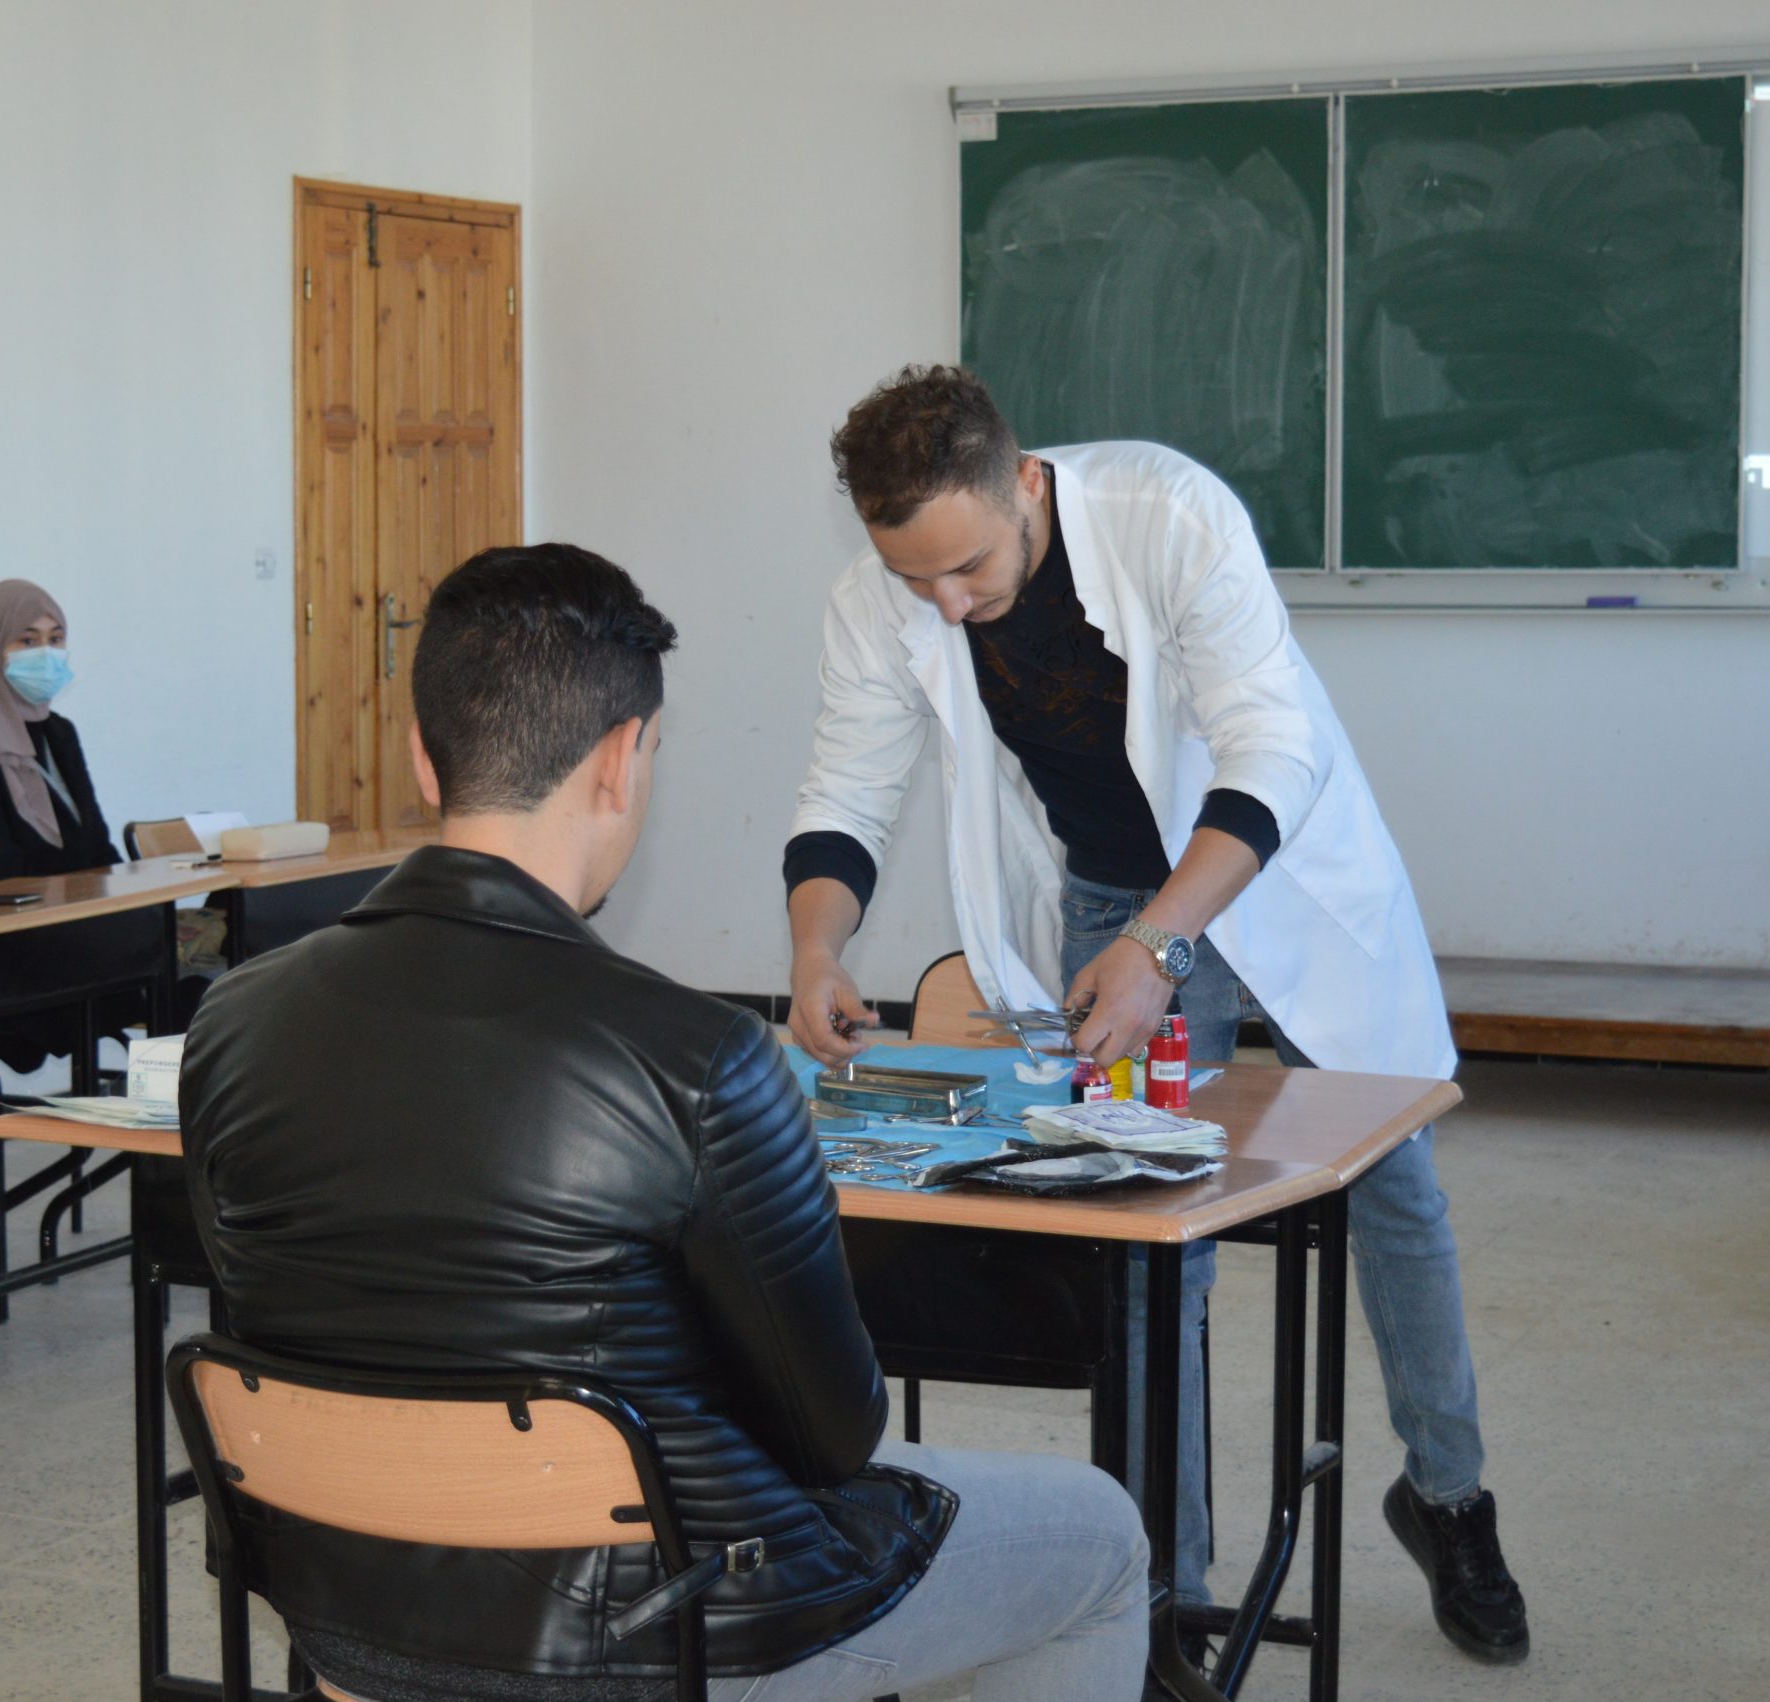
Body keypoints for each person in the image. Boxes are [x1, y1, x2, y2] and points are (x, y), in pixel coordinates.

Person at [181, 544, 1149, 1702]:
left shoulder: (230, 1023)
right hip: (664, 1639)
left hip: (355, 1625)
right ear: (620, 760)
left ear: (423, 759)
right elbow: (835, 1435)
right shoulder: (699, 1058)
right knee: (1098, 1535)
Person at [784, 366, 1529, 1665]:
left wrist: (1159, 945)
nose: (945, 603)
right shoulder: (878, 596)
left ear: (1024, 484)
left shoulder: (1167, 513)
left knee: (1395, 1187)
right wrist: (814, 949)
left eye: (966, 568)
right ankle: (1165, 1587)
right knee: (1142, 1233)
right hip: (1105, 892)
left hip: (1266, 869)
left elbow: (1271, 750)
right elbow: (845, 791)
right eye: (916, 579)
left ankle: (1450, 1498)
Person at [0, 578, 138, 1071]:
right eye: (26, 640)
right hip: (10, 947)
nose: (46, 654)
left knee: (200, 962)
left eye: (55, 639)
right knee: (169, 964)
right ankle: (161, 1110)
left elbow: (98, 849)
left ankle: (174, 1108)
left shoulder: (59, 734)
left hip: (75, 931)